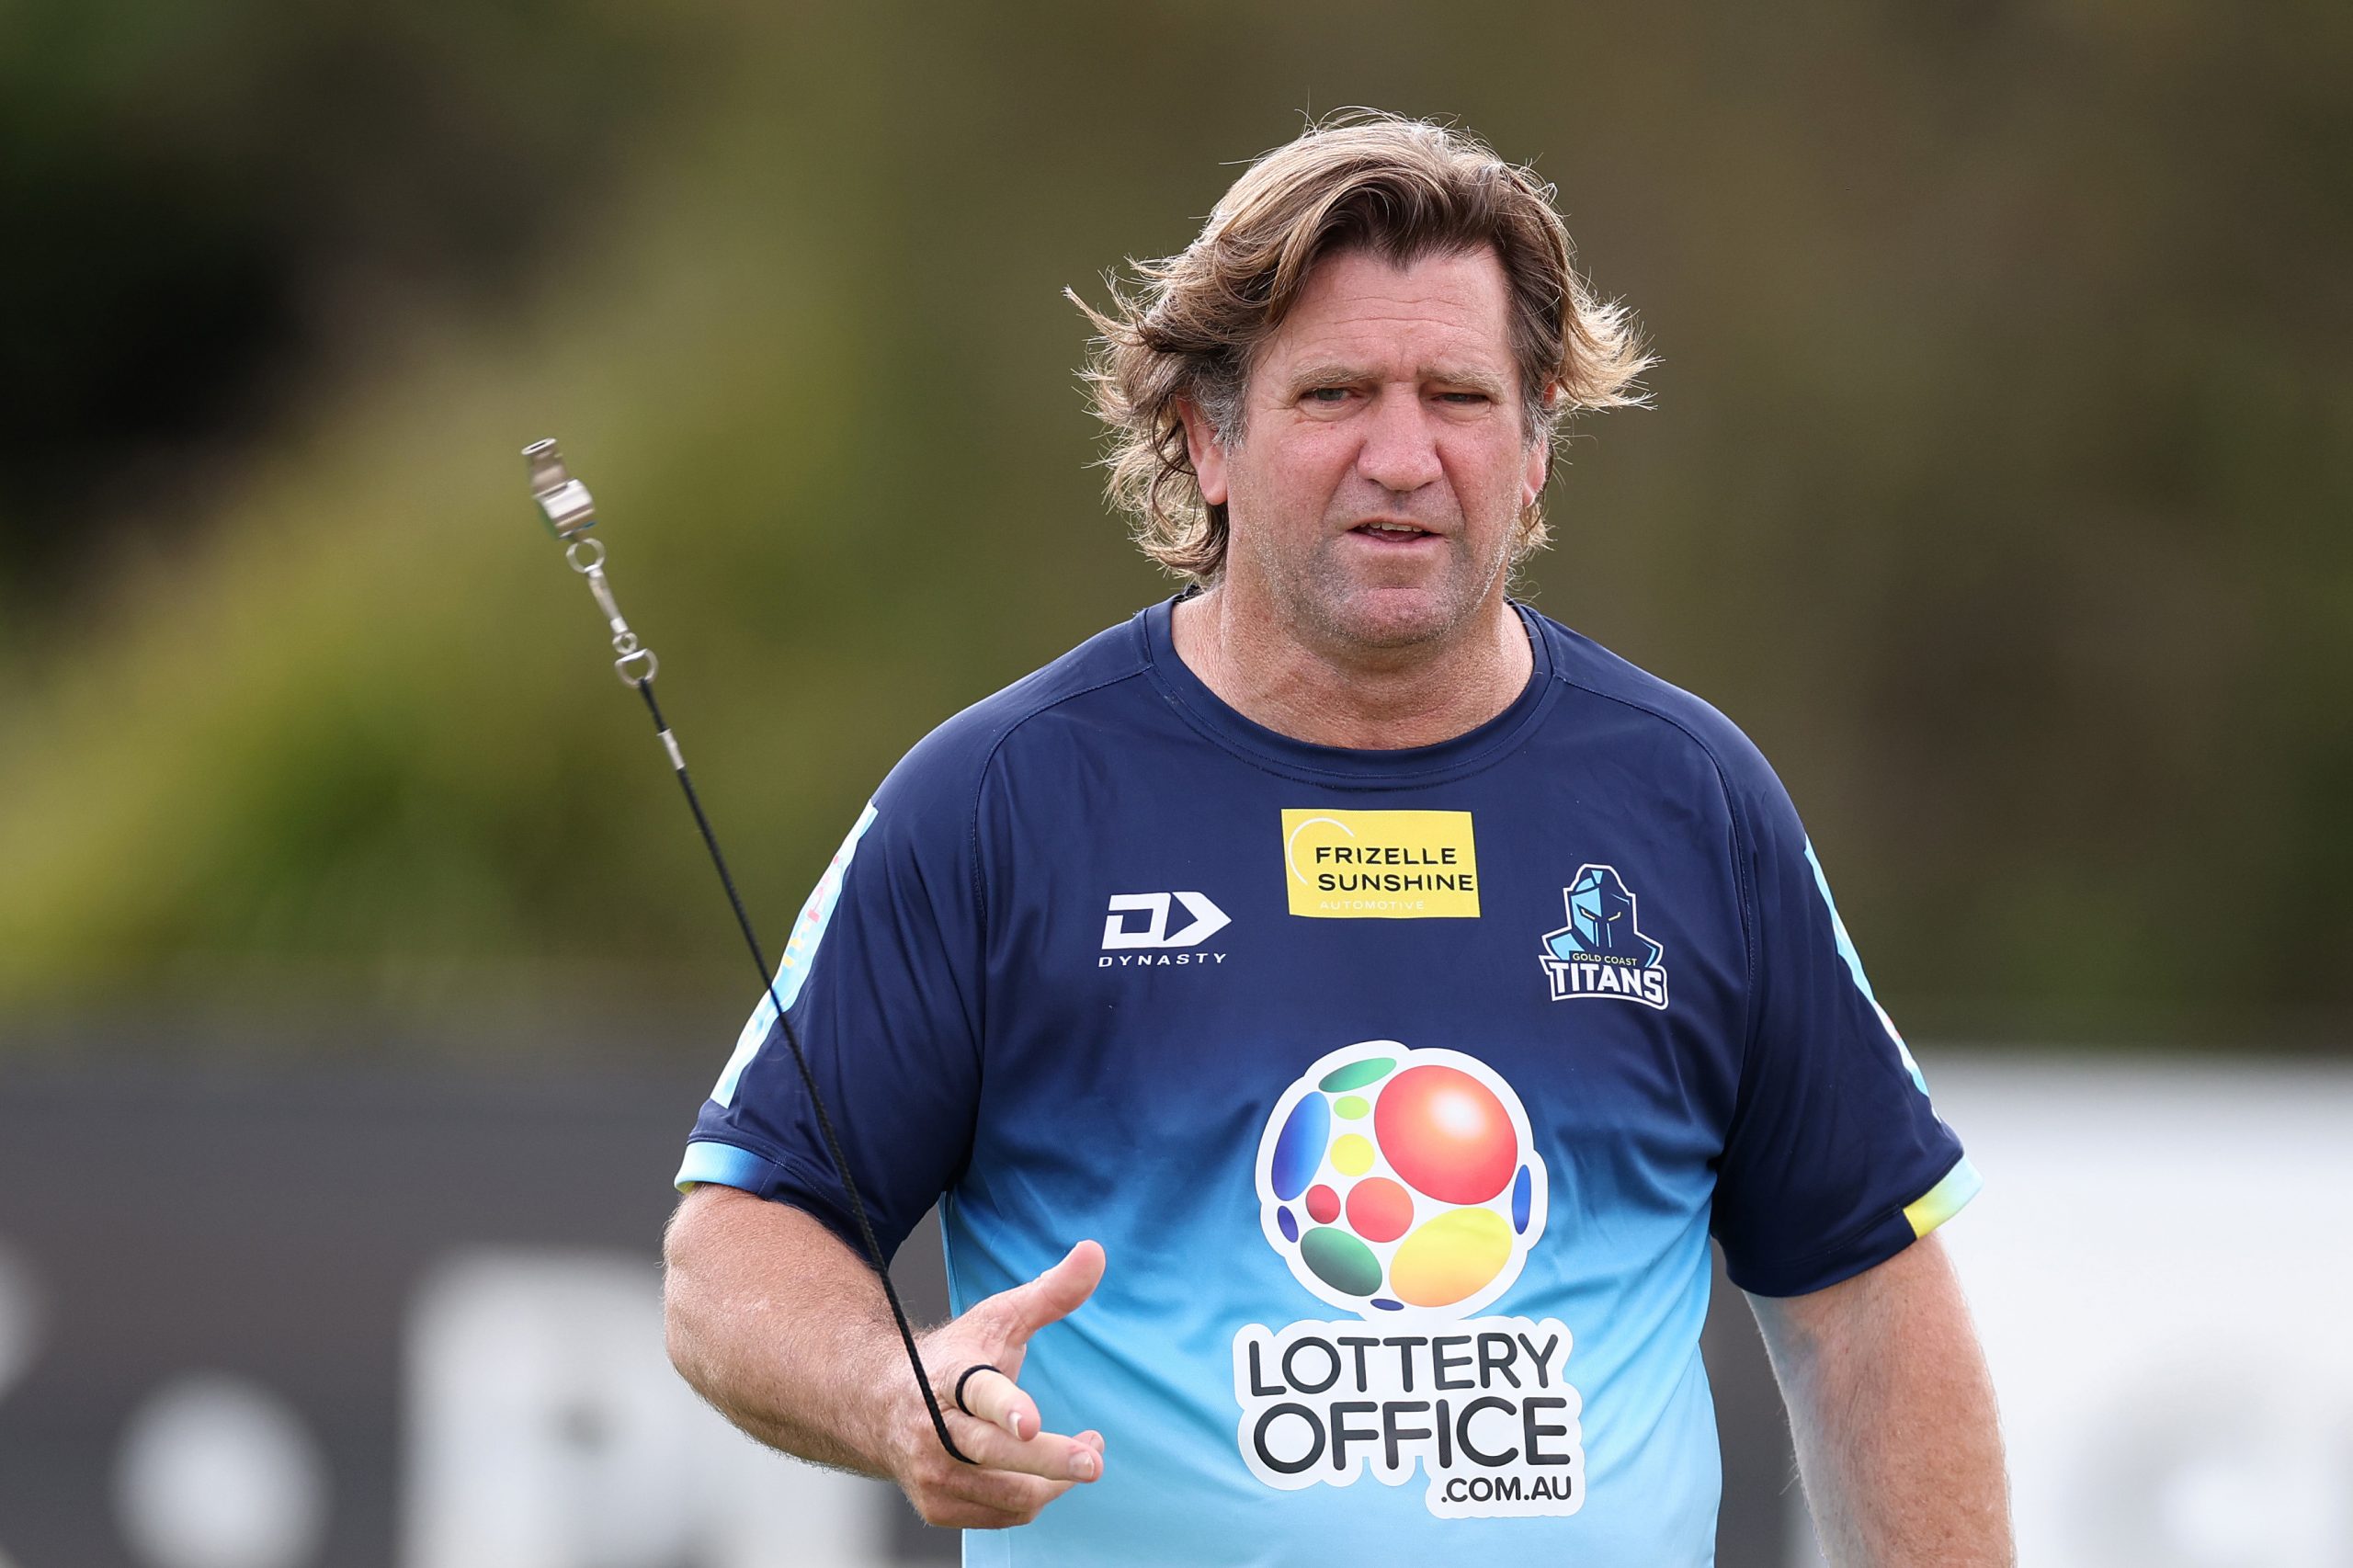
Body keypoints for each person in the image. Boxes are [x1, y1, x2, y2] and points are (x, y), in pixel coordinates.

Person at [662, 112, 2012, 1566]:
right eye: (1335, 394)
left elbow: (1869, 1300)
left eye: (1460, 395)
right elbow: (732, 1248)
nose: (1404, 456)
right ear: (1208, 436)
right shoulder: (997, 803)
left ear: (1538, 441)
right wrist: (894, 1388)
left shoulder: (1695, 804)